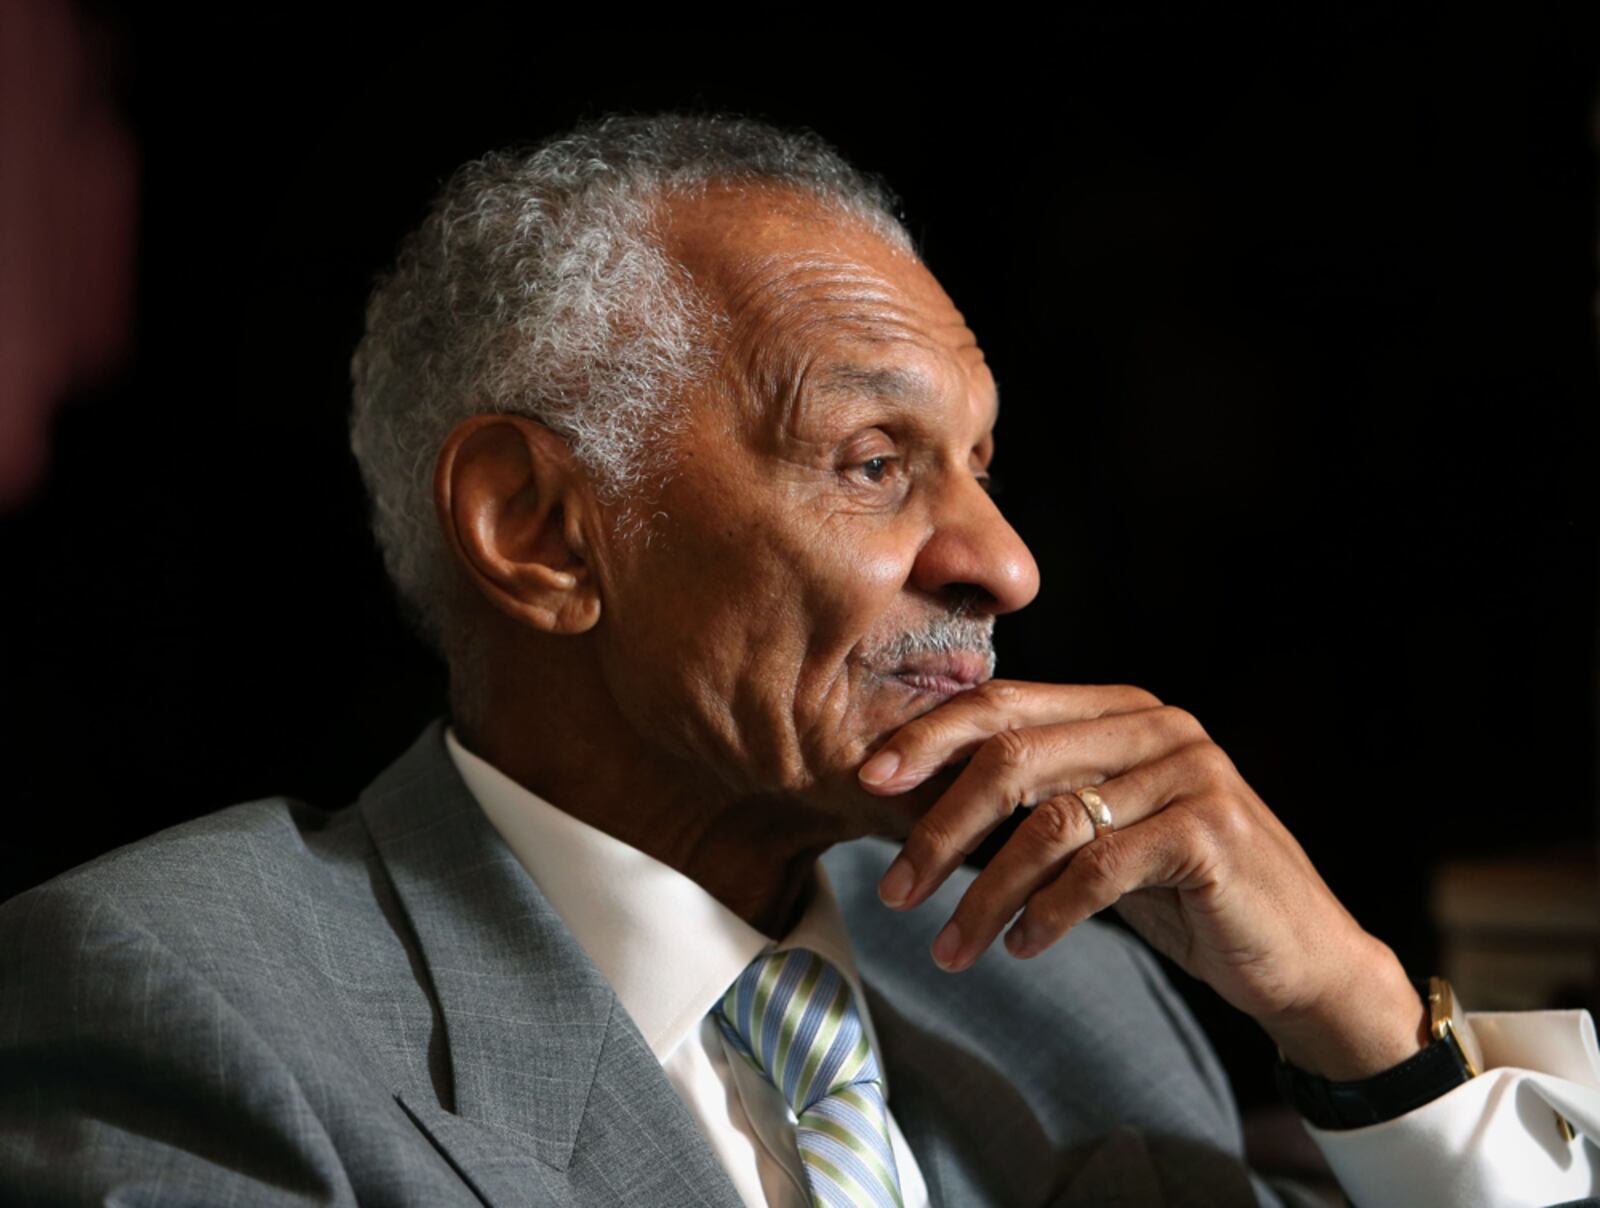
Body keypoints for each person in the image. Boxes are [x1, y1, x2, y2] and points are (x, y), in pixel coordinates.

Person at [0, 113, 1594, 1208]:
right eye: (871, 461)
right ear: (541, 531)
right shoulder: (179, 1003)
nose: (1005, 562)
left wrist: (1360, 1024)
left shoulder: (1075, 984)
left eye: (980, 464)